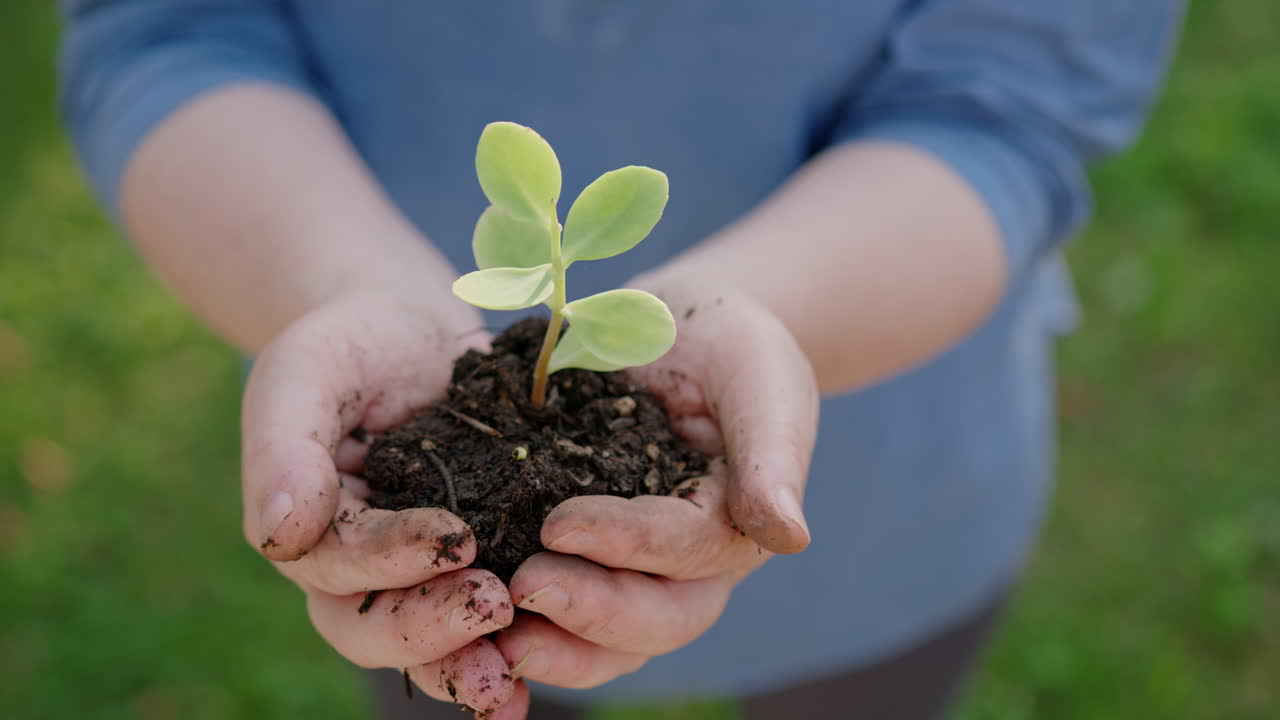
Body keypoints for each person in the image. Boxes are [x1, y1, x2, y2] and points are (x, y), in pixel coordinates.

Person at [58, 2, 1185, 718]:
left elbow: (1009, 99)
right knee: (463, 671)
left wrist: (763, 310)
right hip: (433, 548)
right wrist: (339, 286)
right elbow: (167, 26)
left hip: (890, 500)